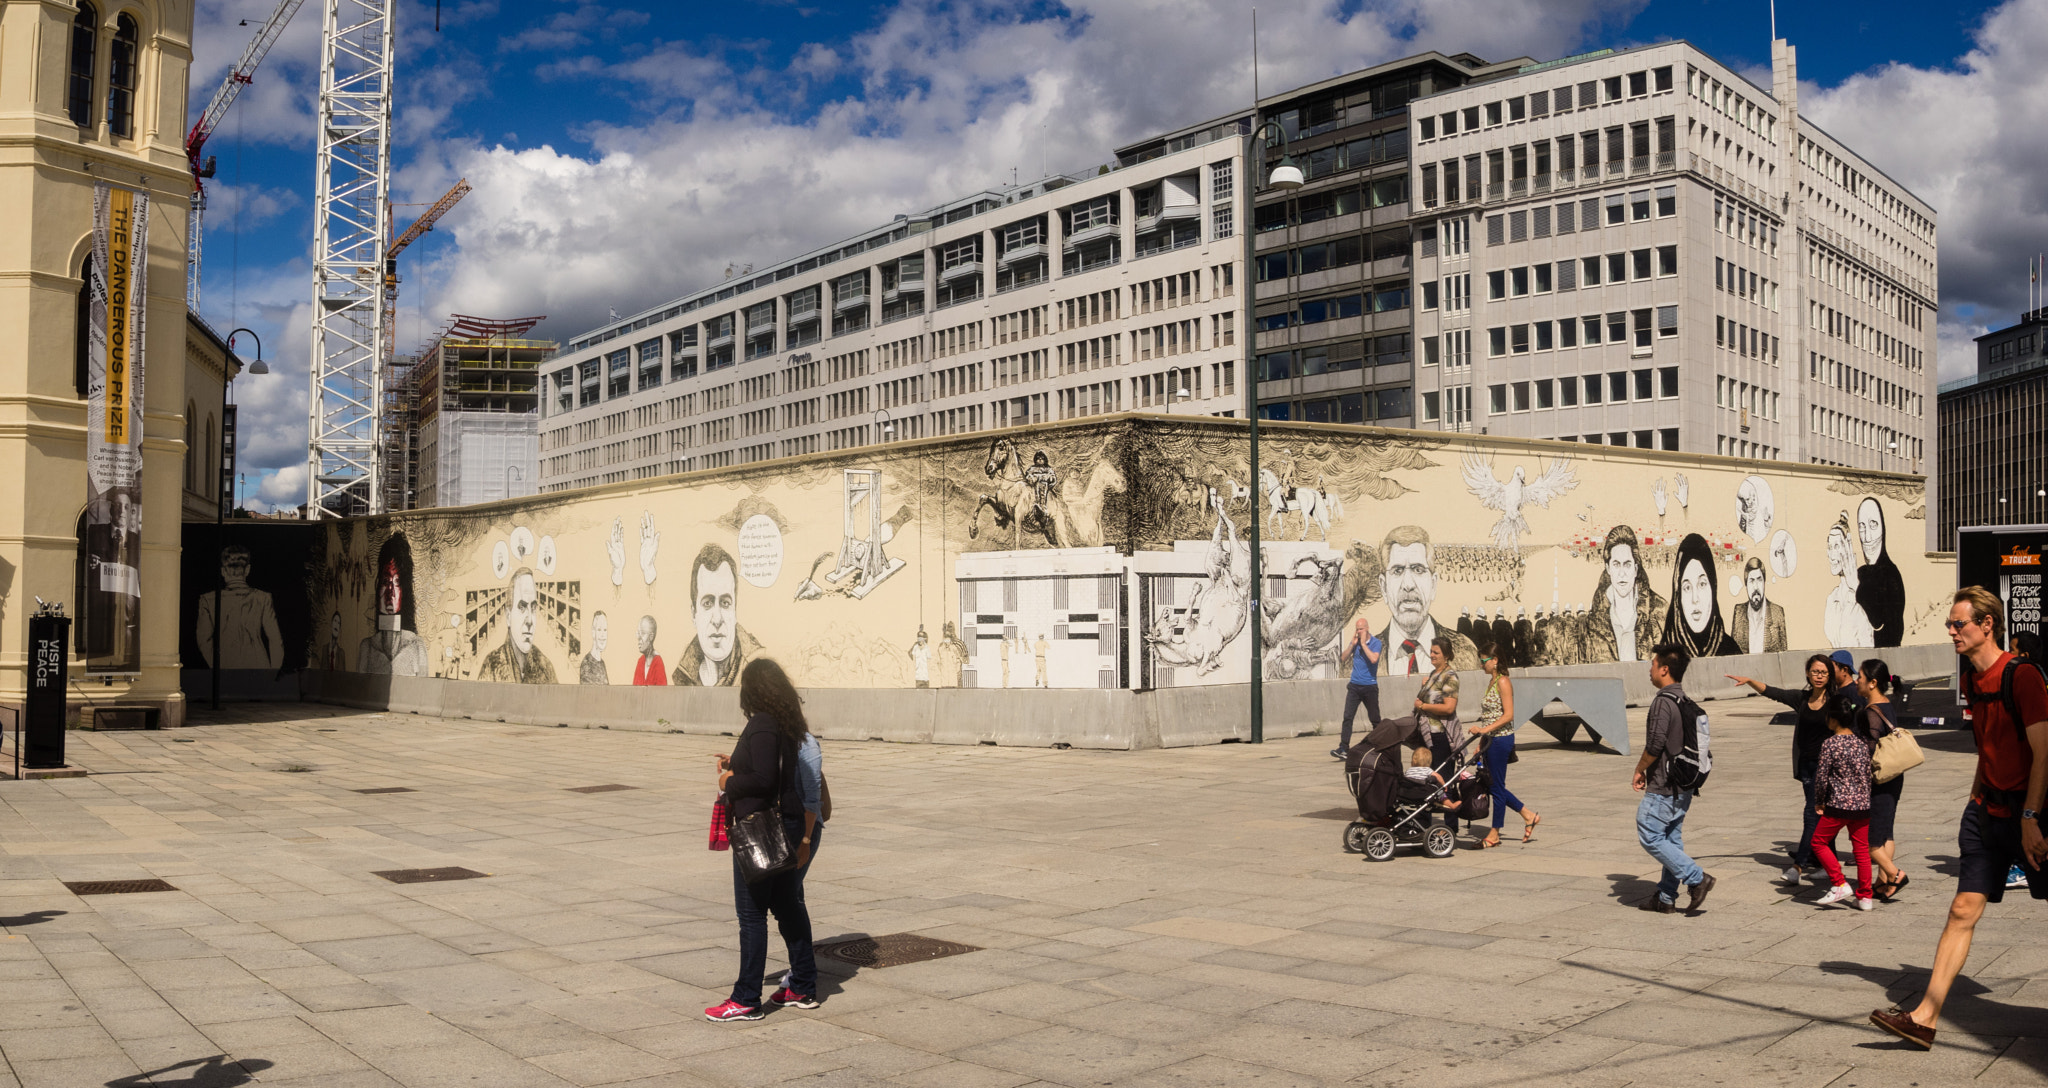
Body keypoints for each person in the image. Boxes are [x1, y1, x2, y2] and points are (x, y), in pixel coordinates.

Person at [1870, 587, 2048, 1050]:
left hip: (2032, 813)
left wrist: (2031, 816)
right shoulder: (1971, 679)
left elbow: (2043, 754)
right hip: (1986, 812)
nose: (1950, 631)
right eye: (1950, 624)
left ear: (1986, 624)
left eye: (1958, 624)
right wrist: (1974, 800)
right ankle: (1924, 1018)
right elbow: (1987, 747)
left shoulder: (2022, 676)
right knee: (1962, 909)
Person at [706, 659, 821, 1021]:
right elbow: (767, 769)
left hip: (761, 830)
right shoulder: (786, 725)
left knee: (751, 915)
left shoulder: (761, 725)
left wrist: (727, 781)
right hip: (785, 825)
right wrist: (737, 763)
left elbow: (764, 780)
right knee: (788, 906)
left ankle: (746, 998)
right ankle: (802, 984)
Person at [1726, 655, 1838, 886]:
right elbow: (1773, 692)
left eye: (1823, 672)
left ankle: (1798, 866)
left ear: (1830, 676)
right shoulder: (1802, 698)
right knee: (1821, 815)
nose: (1819, 676)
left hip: (1826, 768)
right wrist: (1750, 681)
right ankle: (1830, 864)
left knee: (1811, 814)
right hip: (1807, 767)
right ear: (1807, 673)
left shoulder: (1836, 701)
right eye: (1815, 672)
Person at [1633, 642, 1714, 913]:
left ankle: (1696, 878)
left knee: (1649, 833)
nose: (1650, 669)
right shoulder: (1684, 700)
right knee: (1671, 839)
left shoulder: (1663, 702)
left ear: (1664, 669)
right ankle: (1666, 898)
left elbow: (1655, 744)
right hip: (1684, 784)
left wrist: (1639, 768)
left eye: (1653, 664)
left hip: (1665, 785)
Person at [1375, 526, 1479, 675]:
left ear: (1434, 584)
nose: (1408, 585)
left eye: (1418, 570)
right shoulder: (1358, 660)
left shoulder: (1466, 652)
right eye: (1397, 570)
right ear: (1384, 587)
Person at [1811, 688, 1879, 910]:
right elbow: (1867, 775)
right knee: (1861, 850)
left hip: (1838, 805)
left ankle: (1839, 882)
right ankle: (1865, 897)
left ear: (1831, 718)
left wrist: (1819, 801)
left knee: (1818, 842)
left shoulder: (1830, 744)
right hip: (1862, 806)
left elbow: (1821, 777)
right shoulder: (1861, 744)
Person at [1468, 650, 1539, 848]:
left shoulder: (1503, 681)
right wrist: (1481, 743)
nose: (1481, 664)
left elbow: (1508, 715)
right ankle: (1528, 815)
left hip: (1501, 741)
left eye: (1483, 661)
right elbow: (1490, 716)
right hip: (1490, 740)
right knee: (1492, 785)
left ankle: (1494, 834)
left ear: (1495, 660)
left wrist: (1484, 730)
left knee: (1496, 787)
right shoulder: (1492, 682)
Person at [675, 543, 763, 686]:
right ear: (693, 614)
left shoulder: (760, 672)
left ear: (735, 611)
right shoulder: (683, 677)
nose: (717, 619)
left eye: (725, 603)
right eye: (707, 604)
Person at [1858, 659, 1910, 900]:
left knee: (1870, 841)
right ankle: (1884, 881)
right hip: (1894, 776)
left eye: (1860, 677)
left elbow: (1870, 748)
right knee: (1885, 833)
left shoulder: (1871, 712)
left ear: (1873, 682)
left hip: (1878, 779)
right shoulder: (1887, 705)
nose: (1857, 681)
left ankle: (1895, 873)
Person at [195, 545, 285, 671]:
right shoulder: (263, 598)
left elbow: (203, 640)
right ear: (247, 570)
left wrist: (217, 665)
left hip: (225, 665)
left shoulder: (208, 600)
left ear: (223, 571)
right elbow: (275, 640)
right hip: (259, 666)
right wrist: (272, 672)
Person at [1585, 525, 1664, 664]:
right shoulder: (1593, 622)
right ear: (1608, 569)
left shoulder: (1659, 613)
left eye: (1627, 564)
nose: (1622, 573)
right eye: (1616, 564)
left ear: (1635, 568)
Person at [1413, 636, 1463, 840]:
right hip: (1427, 736)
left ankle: (1450, 827)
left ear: (1447, 655)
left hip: (1441, 737)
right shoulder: (1434, 674)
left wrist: (1423, 706)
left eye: (1436, 653)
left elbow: (1449, 707)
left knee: (1445, 781)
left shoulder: (1450, 676)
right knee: (1425, 780)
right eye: (1431, 652)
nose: (1432, 655)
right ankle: (1424, 823)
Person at [1659, 533, 1740, 658]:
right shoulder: (1665, 657)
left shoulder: (1731, 651)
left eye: (1702, 584)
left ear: (1713, 587)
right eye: (1687, 588)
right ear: (1678, 597)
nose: (1695, 599)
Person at [358, 537, 428, 676]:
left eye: (396, 582)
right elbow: (361, 691)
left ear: (404, 590)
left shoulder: (417, 646)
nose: (390, 591)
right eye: (385, 581)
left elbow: (423, 693)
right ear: (378, 587)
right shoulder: (368, 647)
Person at [477, 568, 558, 684]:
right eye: (522, 607)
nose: (529, 620)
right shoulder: (492, 667)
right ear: (508, 616)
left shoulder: (545, 666)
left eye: (533, 608)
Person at [1854, 498, 1906, 648]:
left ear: (1883, 528)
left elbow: (1885, 627)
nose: (1867, 537)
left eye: (1873, 525)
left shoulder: (1891, 574)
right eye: (1862, 527)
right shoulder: (1860, 573)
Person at [1332, 618, 1383, 760]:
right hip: (1354, 685)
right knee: (1348, 717)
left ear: (1367, 628)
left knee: (1375, 719)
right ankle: (1343, 748)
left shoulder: (1376, 643)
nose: (1358, 632)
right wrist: (1352, 646)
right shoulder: (1355, 643)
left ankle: (1381, 746)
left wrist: (1363, 645)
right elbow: (1342, 658)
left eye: (1361, 629)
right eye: (1357, 629)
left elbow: (1374, 659)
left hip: (1370, 686)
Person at [1728, 556, 1789, 655]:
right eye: (1751, 581)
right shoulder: (1738, 612)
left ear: (1764, 582)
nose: (1756, 587)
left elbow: (1783, 657)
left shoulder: (1777, 612)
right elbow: (1733, 657)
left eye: (1759, 580)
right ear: (1746, 585)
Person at [631, 616, 666, 685]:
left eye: (643, 633)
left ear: (651, 637)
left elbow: (662, 693)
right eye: (638, 633)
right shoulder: (640, 661)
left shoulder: (658, 663)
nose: (639, 638)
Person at [579, 611, 610, 685]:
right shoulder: (587, 665)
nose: (603, 635)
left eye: (605, 630)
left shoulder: (602, 663)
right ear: (593, 632)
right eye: (599, 630)